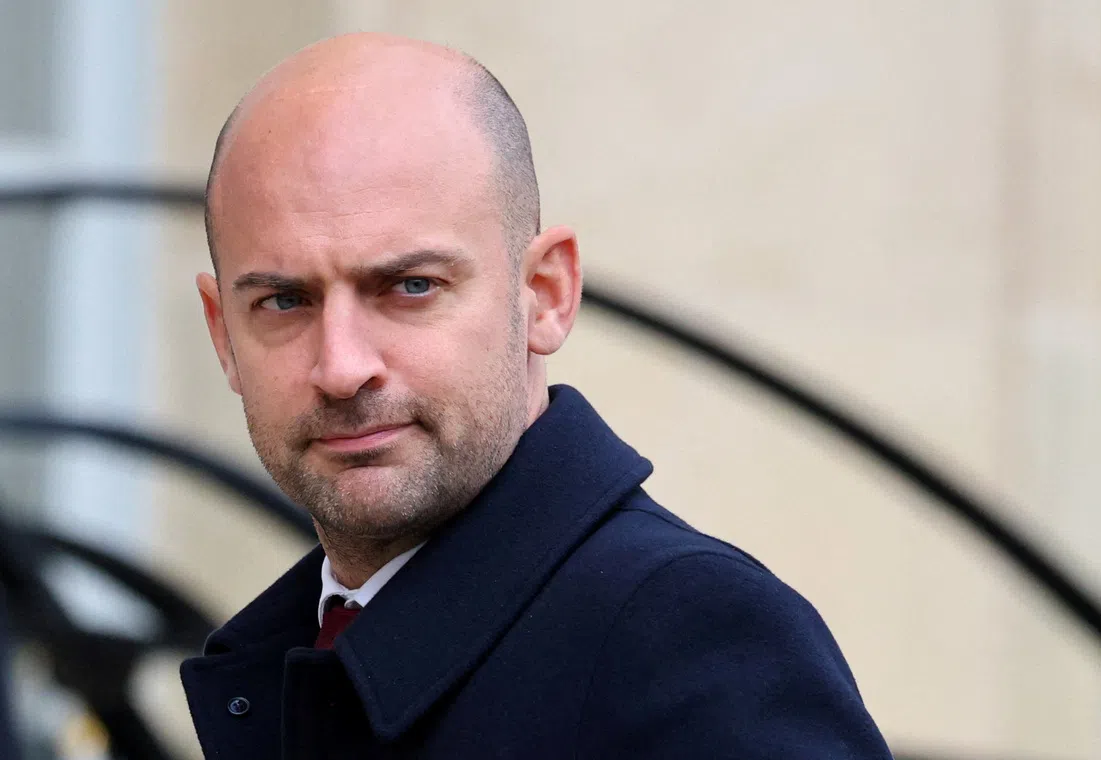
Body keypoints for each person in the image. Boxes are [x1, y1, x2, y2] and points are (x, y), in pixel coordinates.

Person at [180, 33, 893, 759]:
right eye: (283, 301)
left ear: (546, 295)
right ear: (222, 333)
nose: (341, 367)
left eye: (411, 286)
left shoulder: (688, 639)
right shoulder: (294, 647)